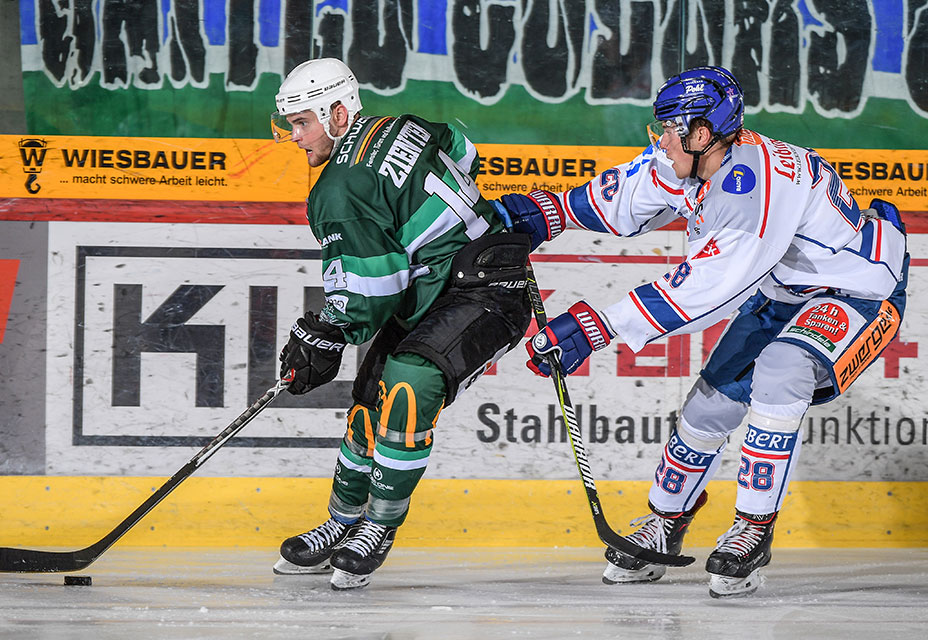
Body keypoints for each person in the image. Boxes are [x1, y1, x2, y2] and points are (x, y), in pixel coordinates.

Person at [495, 66, 909, 598]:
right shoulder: (689, 158)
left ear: (703, 134)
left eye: (671, 129)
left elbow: (713, 285)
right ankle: (666, 523)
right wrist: (545, 212)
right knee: (709, 405)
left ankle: (753, 529)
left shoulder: (756, 184)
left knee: (781, 372)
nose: (661, 139)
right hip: (784, 289)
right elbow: (622, 197)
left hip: (860, 290)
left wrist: (600, 326)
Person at [268, 58, 532, 590]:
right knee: (369, 403)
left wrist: (326, 331)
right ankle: (342, 523)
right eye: (290, 125)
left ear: (337, 112)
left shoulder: (338, 189)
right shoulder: (404, 124)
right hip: (441, 287)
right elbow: (463, 150)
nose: (296, 137)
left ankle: (378, 527)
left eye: (303, 123)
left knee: (409, 385)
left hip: (485, 293)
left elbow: (370, 292)